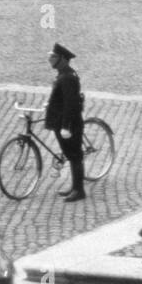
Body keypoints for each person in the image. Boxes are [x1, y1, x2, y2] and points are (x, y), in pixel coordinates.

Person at [45, 43, 85, 203]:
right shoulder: (63, 74)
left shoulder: (67, 77)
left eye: (53, 57)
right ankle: (75, 186)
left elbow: (71, 104)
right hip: (61, 121)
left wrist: (66, 126)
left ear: (62, 59)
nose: (50, 60)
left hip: (68, 124)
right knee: (70, 154)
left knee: (75, 155)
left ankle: (79, 190)